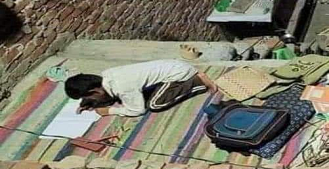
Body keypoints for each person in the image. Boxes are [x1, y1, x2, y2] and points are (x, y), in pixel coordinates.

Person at [64, 59, 218, 117]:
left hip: (180, 73)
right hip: (172, 65)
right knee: (144, 96)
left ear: (95, 91)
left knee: (155, 105)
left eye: (89, 97)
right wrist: (93, 103)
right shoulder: (107, 76)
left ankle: (198, 82)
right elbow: (108, 96)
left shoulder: (122, 87)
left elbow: (138, 110)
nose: (90, 100)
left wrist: (110, 111)